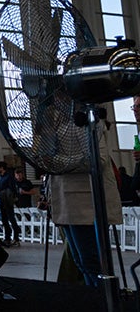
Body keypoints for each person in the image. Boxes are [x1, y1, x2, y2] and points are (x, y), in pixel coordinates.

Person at [49, 122, 122, 287]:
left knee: (92, 262)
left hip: (85, 205)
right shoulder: (59, 127)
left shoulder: (86, 125)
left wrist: (56, 161)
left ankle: (104, 300)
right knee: (81, 263)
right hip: (67, 203)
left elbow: (98, 159)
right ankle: (93, 299)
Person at [0, 161, 21, 246]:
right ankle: (7, 238)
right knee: (4, 220)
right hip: (2, 199)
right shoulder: (1, 177)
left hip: (8, 200)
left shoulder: (8, 177)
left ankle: (16, 238)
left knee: (11, 219)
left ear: (2, 168)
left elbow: (12, 188)